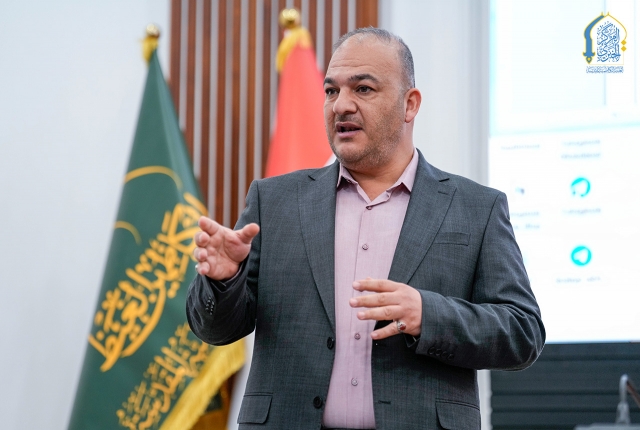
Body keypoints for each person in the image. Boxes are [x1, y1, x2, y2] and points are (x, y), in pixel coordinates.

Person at [186, 27, 545, 430]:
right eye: (331, 91)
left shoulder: (476, 208)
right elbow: (216, 330)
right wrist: (224, 281)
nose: (341, 105)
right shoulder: (275, 202)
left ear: (410, 104)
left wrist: (428, 314)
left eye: (363, 89)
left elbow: (523, 332)